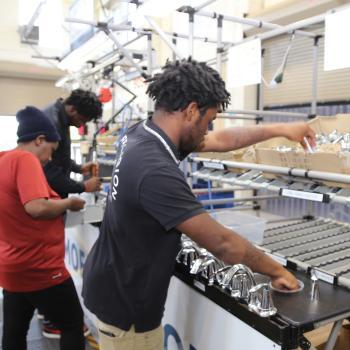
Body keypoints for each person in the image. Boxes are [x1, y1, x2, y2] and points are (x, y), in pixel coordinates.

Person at [82, 58, 316, 350]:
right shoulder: (154, 169)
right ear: (191, 110)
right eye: (207, 121)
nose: (208, 130)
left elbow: (218, 140)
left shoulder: (142, 133)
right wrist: (278, 271)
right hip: (127, 307)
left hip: (113, 278)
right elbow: (223, 244)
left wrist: (280, 128)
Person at [0, 106, 86, 350]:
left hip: (12, 267)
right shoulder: (25, 159)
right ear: (39, 140)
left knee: (14, 332)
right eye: (50, 149)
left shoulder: (3, 159)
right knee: (72, 325)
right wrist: (68, 203)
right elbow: (36, 208)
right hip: (40, 267)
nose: (49, 158)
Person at [43, 89, 103, 199]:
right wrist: (83, 186)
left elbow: (59, 156)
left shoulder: (61, 115)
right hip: (47, 195)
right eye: (82, 120)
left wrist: (78, 168)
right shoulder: (53, 124)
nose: (81, 125)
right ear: (72, 109)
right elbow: (49, 172)